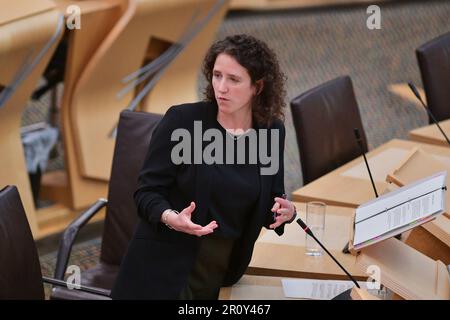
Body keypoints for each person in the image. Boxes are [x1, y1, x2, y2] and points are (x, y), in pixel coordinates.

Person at [111, 34, 297, 300]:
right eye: (217, 75)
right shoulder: (184, 122)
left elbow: (270, 203)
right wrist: (170, 217)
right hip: (166, 267)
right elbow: (146, 193)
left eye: (233, 80)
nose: (221, 87)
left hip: (225, 270)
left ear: (257, 87)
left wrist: (285, 212)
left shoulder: (270, 132)